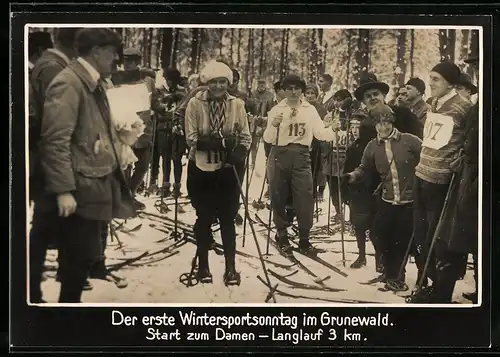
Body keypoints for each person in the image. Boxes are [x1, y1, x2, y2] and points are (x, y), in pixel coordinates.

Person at [39, 28, 135, 303]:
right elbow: (55, 140)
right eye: (112, 52)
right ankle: (64, 329)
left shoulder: (93, 83)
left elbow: (91, 132)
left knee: (80, 265)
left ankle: (68, 324)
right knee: (74, 267)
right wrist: (64, 190)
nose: (116, 58)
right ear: (96, 52)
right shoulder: (69, 83)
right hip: (79, 191)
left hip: (93, 188)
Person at [411, 61, 473, 302]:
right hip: (421, 175)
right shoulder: (433, 104)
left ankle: (441, 292)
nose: (431, 82)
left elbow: (470, 140)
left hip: (442, 180)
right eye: (430, 77)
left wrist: (462, 157)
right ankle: (429, 283)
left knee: (439, 238)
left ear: (450, 83)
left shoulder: (463, 107)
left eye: (436, 79)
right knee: (422, 234)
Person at [185, 61, 251, 285]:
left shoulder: (237, 105)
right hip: (202, 169)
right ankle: (203, 266)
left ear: (229, 83)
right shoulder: (195, 104)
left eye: (223, 82)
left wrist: (239, 153)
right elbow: (192, 139)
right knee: (203, 217)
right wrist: (222, 143)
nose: (218, 86)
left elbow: (245, 136)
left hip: (228, 170)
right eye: (214, 82)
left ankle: (230, 268)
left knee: (227, 218)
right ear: (207, 83)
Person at [345, 104, 422, 291]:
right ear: (374, 125)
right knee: (379, 236)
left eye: (387, 122)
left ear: (392, 121)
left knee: (406, 240)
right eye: (379, 123)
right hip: (388, 199)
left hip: (410, 201)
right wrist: (353, 176)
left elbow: (427, 158)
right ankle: (390, 272)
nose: (383, 127)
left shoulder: (410, 141)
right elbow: (364, 168)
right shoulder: (372, 146)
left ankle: (413, 277)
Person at [28, 28, 80, 303]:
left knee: (47, 227)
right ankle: (35, 293)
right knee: (49, 227)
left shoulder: (49, 64)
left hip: (49, 159)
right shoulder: (53, 68)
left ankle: (35, 291)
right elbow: (56, 121)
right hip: (51, 162)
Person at [263, 74, 338, 254]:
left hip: (302, 155)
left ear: (302, 90)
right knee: (278, 195)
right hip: (279, 155)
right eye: (290, 88)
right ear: (284, 90)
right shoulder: (276, 109)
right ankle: (282, 234)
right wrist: (273, 125)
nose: (294, 91)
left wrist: (333, 130)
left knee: (304, 196)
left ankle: (304, 238)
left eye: (297, 88)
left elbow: (320, 133)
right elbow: (267, 138)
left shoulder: (309, 110)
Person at [426, 57, 480, 304]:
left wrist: (466, 156)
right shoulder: (474, 106)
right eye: (476, 67)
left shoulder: (469, 106)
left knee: (462, 235)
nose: (478, 71)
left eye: (480, 66)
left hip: (474, 177)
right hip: (465, 174)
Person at [118, 48, 157, 211]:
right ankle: (124, 199)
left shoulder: (147, 80)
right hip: (126, 126)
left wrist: (161, 109)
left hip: (144, 129)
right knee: (126, 164)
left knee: (143, 165)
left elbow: (153, 100)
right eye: (125, 61)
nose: (127, 64)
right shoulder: (117, 79)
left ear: (137, 62)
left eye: (131, 61)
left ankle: (130, 194)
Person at [341, 111, 380, 269]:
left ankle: (379, 259)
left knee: (375, 228)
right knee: (359, 225)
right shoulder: (352, 147)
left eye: (359, 127)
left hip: (372, 191)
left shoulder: (373, 147)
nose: (355, 130)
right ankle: (361, 256)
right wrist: (345, 191)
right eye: (353, 127)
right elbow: (347, 170)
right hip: (357, 192)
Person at [150, 67, 186, 200]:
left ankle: (177, 186)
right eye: (167, 79)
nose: (169, 82)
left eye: (172, 80)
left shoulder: (182, 91)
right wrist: (166, 102)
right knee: (165, 157)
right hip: (163, 127)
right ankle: (165, 185)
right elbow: (157, 106)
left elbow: (184, 106)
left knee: (177, 158)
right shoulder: (160, 91)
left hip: (177, 128)